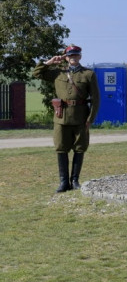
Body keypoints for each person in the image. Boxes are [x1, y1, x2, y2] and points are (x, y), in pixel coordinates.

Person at [31, 45, 101, 193]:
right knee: (61, 148)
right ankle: (63, 182)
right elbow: (36, 73)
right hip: (61, 117)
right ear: (66, 57)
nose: (73, 58)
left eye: (76, 55)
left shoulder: (88, 74)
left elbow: (96, 99)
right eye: (70, 56)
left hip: (81, 117)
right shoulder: (58, 73)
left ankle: (75, 180)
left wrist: (90, 119)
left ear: (80, 57)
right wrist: (49, 62)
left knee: (80, 148)